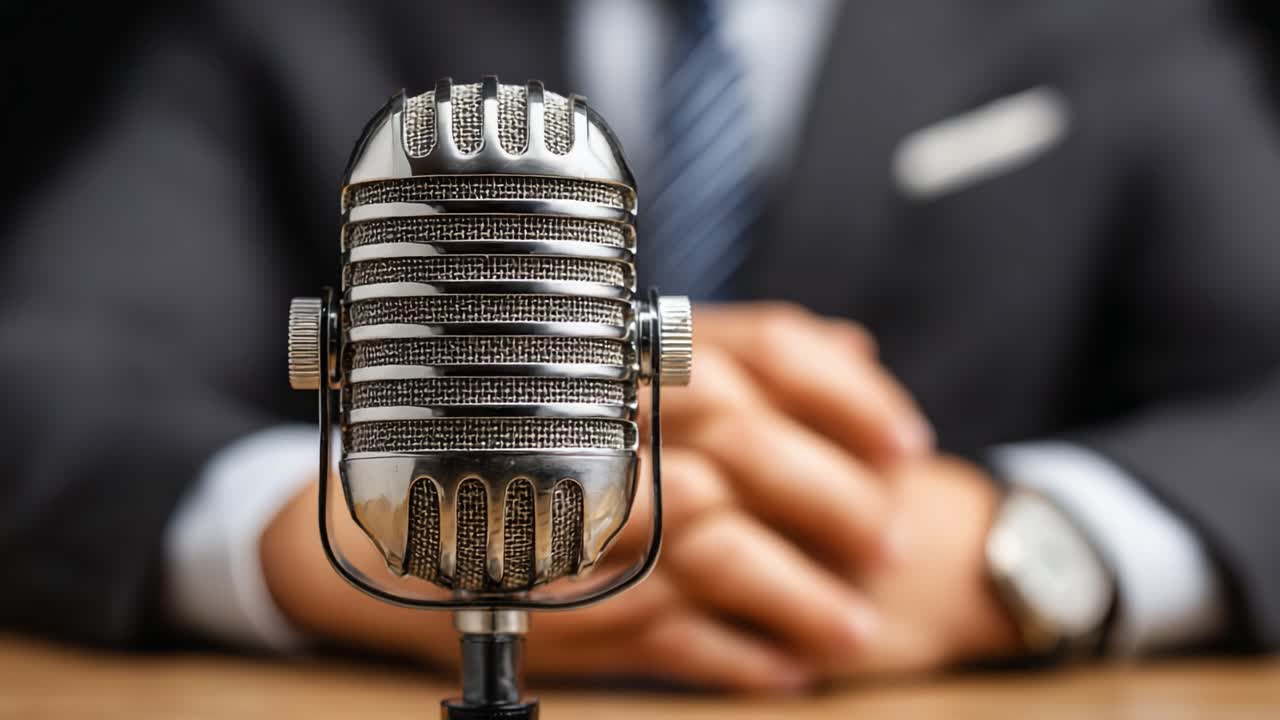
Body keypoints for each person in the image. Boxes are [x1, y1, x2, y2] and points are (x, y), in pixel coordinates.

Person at [3, 0, 1279, 692]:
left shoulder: (1124, 30)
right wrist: (335, 539)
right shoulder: (291, 26)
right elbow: (37, 365)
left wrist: (1012, 551)